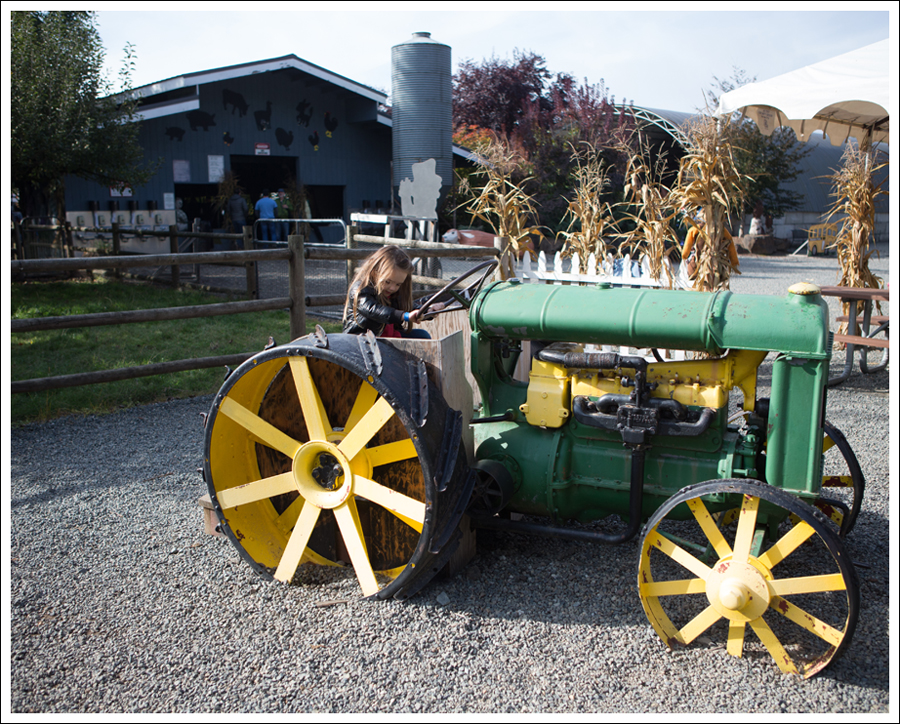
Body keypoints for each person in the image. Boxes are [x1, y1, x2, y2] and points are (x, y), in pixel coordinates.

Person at [342, 246, 441, 338]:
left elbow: (409, 307)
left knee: (422, 336)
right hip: (363, 340)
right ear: (375, 272)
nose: (393, 288)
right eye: (388, 281)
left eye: (398, 284)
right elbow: (374, 310)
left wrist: (428, 310)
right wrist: (404, 316)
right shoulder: (360, 289)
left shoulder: (392, 294)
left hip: (389, 338)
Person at [681, 210, 740, 280]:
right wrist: (734, 262)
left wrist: (684, 256)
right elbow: (731, 246)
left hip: (699, 261)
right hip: (717, 262)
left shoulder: (694, 229)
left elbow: (686, 249)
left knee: (694, 274)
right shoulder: (721, 230)